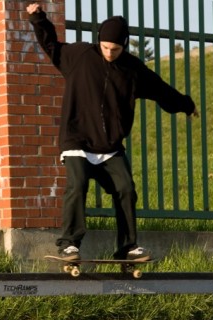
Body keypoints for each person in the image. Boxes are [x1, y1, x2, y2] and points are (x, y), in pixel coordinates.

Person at [26, 3, 197, 262]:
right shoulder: (80, 55)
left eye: (115, 49)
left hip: (110, 147)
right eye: (105, 47)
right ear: (99, 42)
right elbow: (52, 46)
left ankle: (127, 247)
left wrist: (186, 104)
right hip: (78, 140)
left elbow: (161, 90)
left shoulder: (132, 70)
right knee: (78, 184)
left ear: (124, 45)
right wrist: (38, 18)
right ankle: (69, 243)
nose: (109, 53)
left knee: (126, 189)